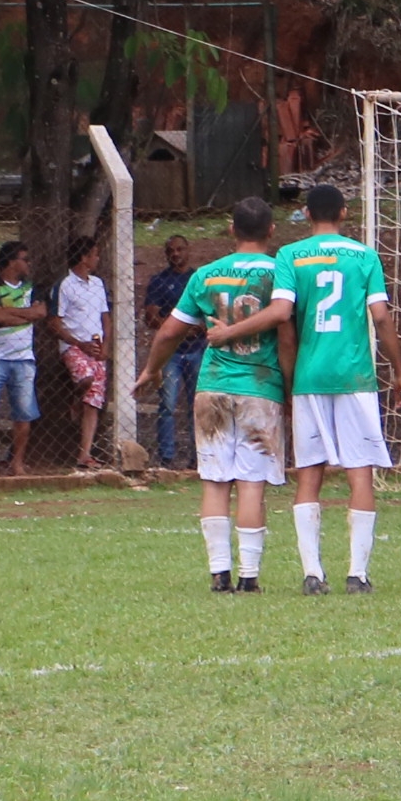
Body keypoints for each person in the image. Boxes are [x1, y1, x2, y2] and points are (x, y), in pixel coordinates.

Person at [207, 184, 401, 595]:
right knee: (360, 472)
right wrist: (399, 370)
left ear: (306, 214)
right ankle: (358, 574)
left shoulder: (290, 255)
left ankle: (312, 574)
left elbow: (284, 321)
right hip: (355, 377)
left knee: (309, 474)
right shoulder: (364, 255)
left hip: (309, 377)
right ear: (344, 213)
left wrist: (288, 380)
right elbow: (381, 317)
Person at [135, 198, 296, 592]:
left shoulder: (205, 275)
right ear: (271, 230)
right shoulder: (282, 273)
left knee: (215, 480)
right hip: (260, 386)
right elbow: (287, 336)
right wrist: (290, 389)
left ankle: (219, 574)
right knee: (251, 483)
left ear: (231, 228)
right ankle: (249, 577)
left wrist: (152, 368)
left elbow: (169, 332)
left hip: (212, 387)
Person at [0, 240, 48, 476]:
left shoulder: (32, 287)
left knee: (23, 412)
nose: (29, 264)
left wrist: (10, 313)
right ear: (12, 262)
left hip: (23, 358)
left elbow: (41, 312)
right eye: (25, 260)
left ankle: (17, 462)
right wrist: (26, 315)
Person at [48, 236, 113, 469]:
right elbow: (55, 322)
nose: (97, 259)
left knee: (93, 401)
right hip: (74, 346)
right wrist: (78, 343)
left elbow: (105, 317)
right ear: (84, 258)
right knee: (86, 378)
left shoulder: (97, 284)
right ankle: (75, 399)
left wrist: (106, 345)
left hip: (96, 346)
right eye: (94, 254)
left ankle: (84, 454)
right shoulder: (65, 285)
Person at [143, 235, 203, 467]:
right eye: (171, 251)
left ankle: (198, 457)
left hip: (197, 349)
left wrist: (198, 327)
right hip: (171, 352)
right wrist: (176, 330)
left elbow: (210, 311)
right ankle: (166, 457)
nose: (175, 254)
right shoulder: (159, 281)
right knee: (167, 404)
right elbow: (150, 316)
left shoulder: (198, 279)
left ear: (188, 250)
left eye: (180, 249)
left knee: (197, 404)